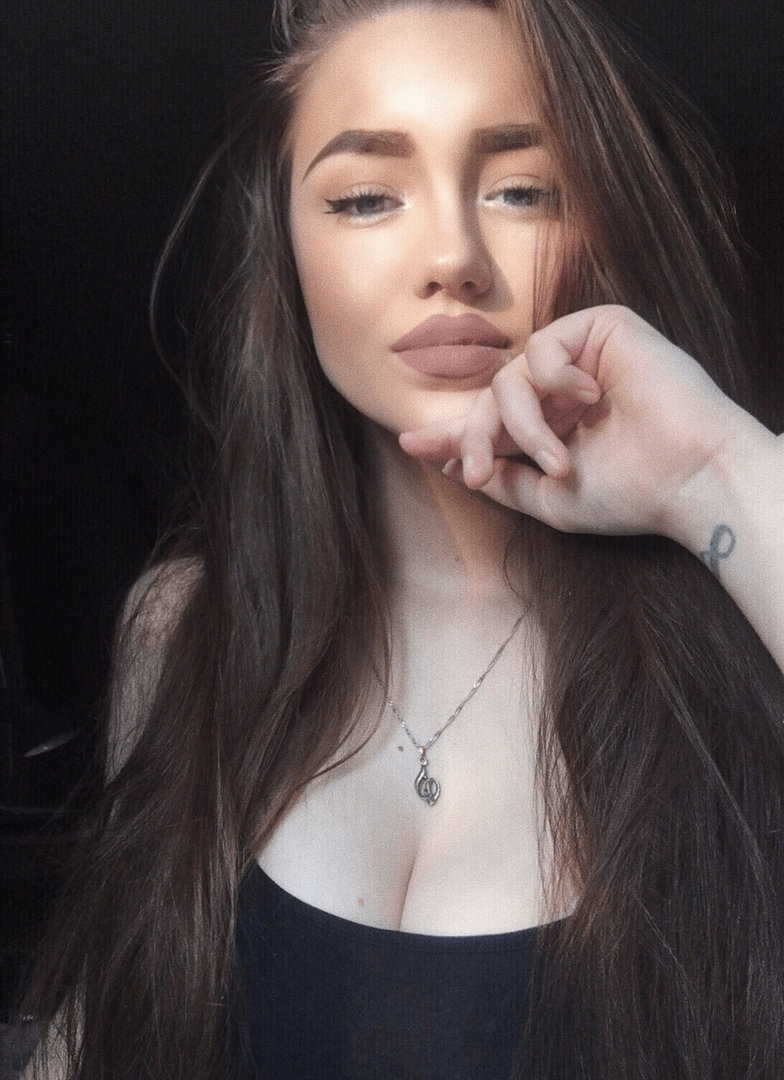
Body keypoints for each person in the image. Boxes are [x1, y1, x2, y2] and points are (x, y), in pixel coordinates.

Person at [21, 0, 784, 1077]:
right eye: (367, 197)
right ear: (287, 252)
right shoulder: (184, 631)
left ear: (603, 226)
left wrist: (712, 470)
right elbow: (104, 1023)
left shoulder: (739, 612)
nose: (454, 258)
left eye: (522, 189)